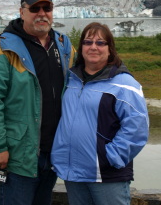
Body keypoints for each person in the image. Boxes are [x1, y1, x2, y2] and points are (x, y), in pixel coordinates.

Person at [0, 0, 76, 205]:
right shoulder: (4, 47)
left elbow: (81, 82)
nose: (41, 14)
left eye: (47, 8)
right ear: (22, 12)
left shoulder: (63, 44)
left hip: (53, 152)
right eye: (34, 8)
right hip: (17, 154)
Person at [51, 22, 149, 205]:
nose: (93, 47)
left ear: (110, 49)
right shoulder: (71, 79)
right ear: (81, 48)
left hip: (105, 174)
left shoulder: (124, 84)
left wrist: (110, 157)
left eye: (100, 43)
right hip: (74, 172)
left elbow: (137, 128)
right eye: (88, 42)